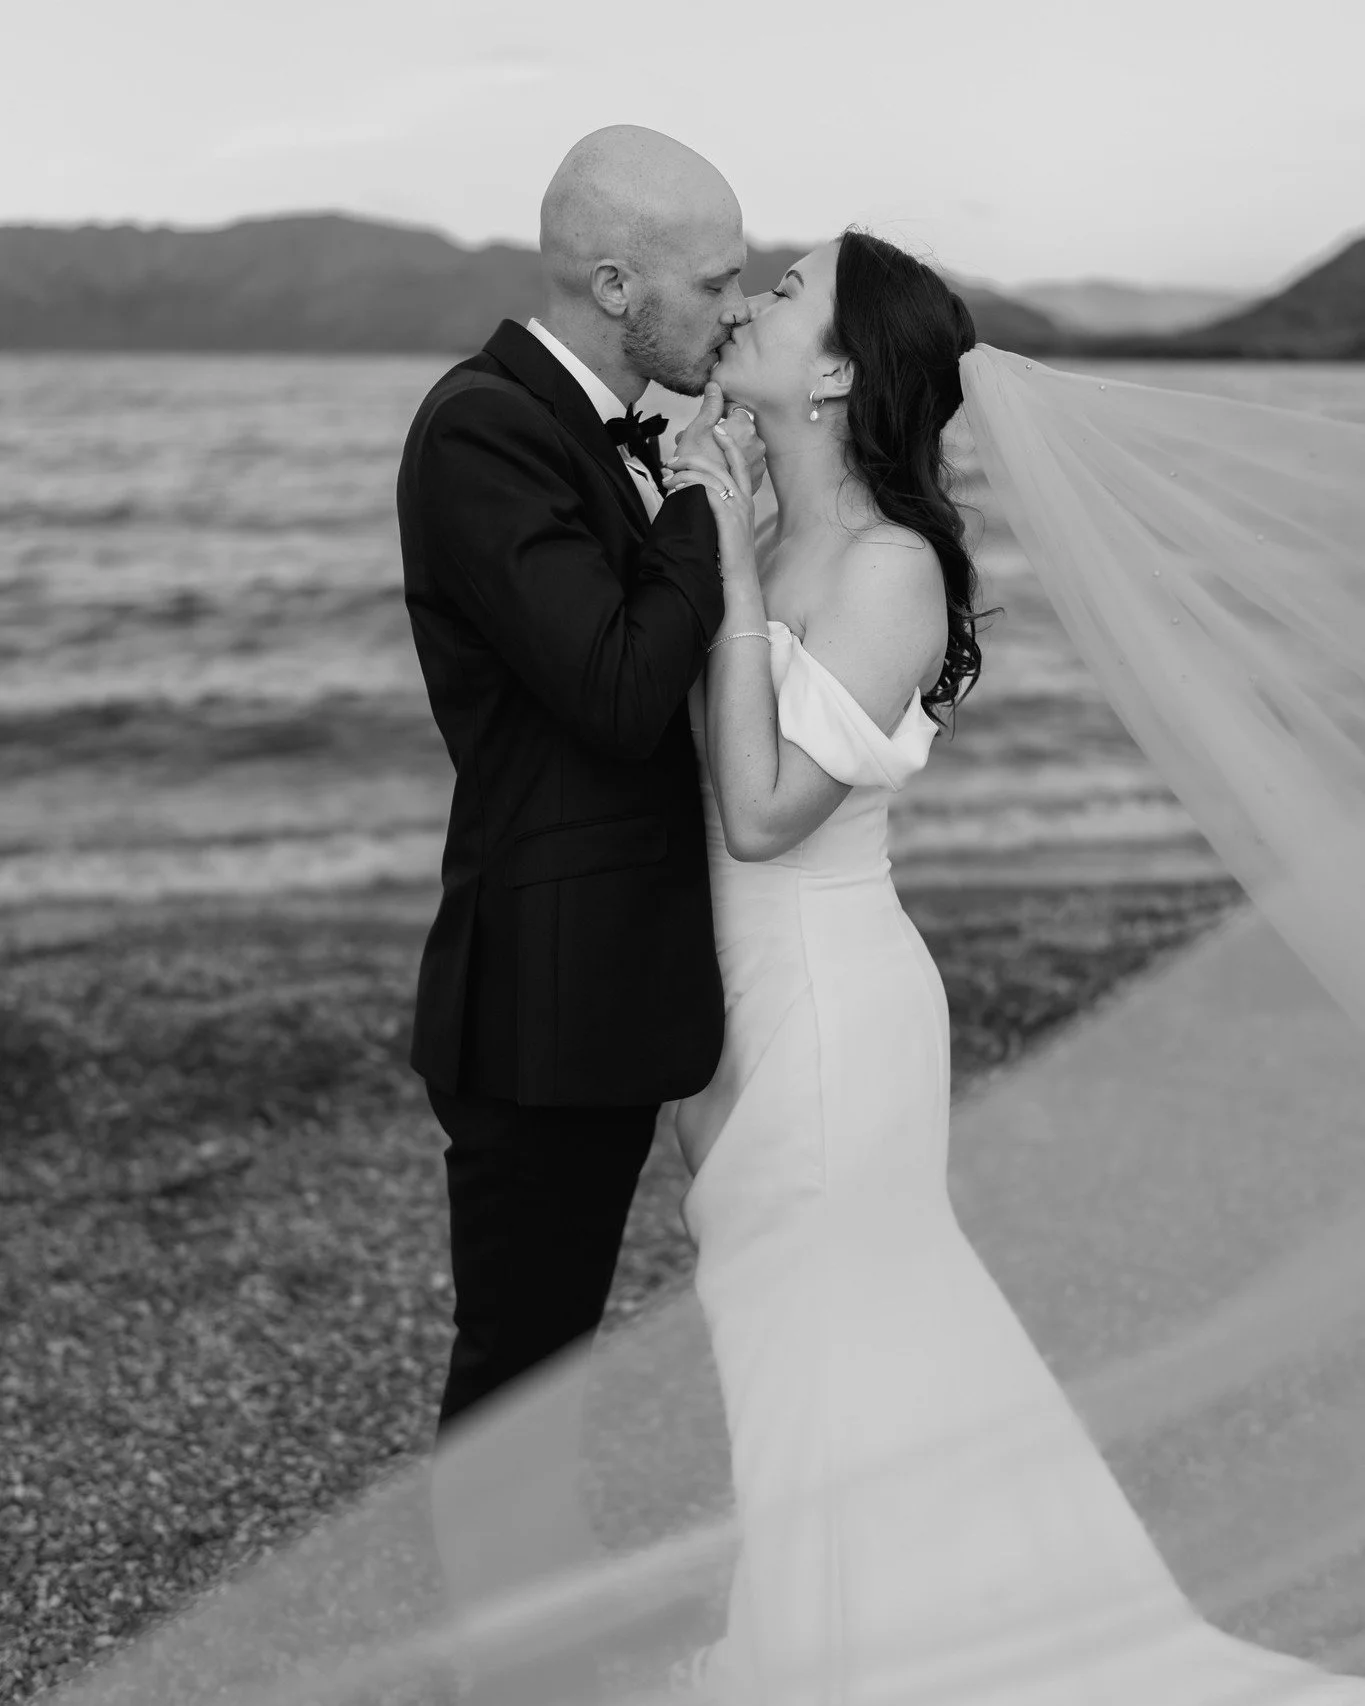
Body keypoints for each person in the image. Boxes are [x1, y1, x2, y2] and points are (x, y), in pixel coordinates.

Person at [657, 228, 1365, 1702]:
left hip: (832, 1011)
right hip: (739, 1000)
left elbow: (766, 811)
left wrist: (719, 569)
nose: (750, 300)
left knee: (831, 1352)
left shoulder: (891, 568)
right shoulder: (770, 529)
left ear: (840, 365)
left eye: (786, 291)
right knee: (790, 1348)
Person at [396, 124, 764, 1441]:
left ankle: (533, 1624)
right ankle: (507, 1653)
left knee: (556, 1356)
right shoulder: (484, 431)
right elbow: (613, 691)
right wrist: (701, 506)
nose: (734, 305)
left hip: (601, 984)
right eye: (715, 280)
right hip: (539, 1000)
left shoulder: (593, 430)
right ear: (618, 287)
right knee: (522, 1371)